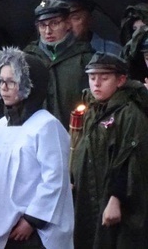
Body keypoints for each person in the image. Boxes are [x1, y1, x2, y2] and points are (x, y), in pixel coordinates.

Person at [0, 47, 74, 249]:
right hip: (3, 227)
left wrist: (32, 219)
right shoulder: (0, 127)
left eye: (11, 82)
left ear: (29, 86)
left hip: (35, 232)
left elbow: (55, 178)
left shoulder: (46, 125)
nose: (4, 88)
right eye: (1, 81)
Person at [71, 52, 148, 248]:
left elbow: (129, 160)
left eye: (104, 78)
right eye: (92, 77)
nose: (96, 83)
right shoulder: (92, 110)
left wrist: (116, 198)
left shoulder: (129, 114)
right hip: (88, 194)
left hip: (115, 199)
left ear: (121, 80)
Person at [24, 0, 93, 128]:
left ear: (68, 24)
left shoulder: (86, 58)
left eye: (54, 23)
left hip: (74, 135)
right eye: (42, 25)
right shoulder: (27, 58)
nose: (47, 31)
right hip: (34, 135)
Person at [54, 0, 121, 55]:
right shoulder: (50, 53)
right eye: (62, 19)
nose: (67, 25)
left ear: (89, 20)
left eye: (74, 18)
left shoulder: (113, 52)